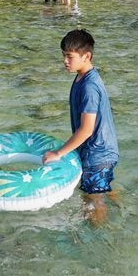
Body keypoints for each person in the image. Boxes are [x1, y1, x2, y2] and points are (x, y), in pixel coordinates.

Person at [43, 29, 119, 225]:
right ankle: (122, 208)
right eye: (63, 56)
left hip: (98, 155)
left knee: (92, 199)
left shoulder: (89, 87)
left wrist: (59, 153)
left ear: (87, 56)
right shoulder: (81, 77)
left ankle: (99, 235)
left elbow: (86, 130)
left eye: (69, 56)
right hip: (99, 152)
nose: (65, 61)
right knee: (100, 189)